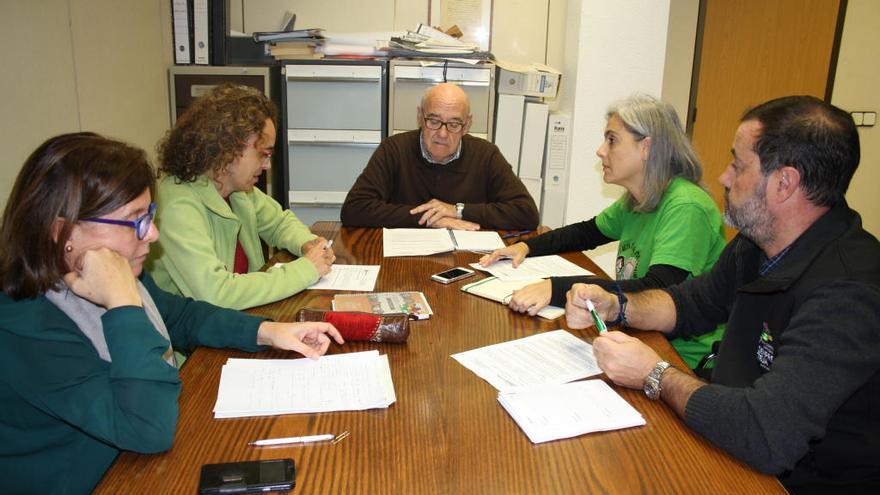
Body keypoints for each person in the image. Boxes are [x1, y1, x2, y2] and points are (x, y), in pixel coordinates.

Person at [0, 133, 345, 493]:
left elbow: (180, 317)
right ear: (62, 232)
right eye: (134, 221)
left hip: (134, 467)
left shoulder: (100, 273)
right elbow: (146, 428)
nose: (152, 234)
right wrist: (123, 304)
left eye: (149, 215)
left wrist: (267, 331)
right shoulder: (24, 327)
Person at [567, 96, 880, 493]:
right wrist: (618, 306)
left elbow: (766, 432)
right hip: (728, 437)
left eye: (738, 164)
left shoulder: (848, 294)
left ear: (784, 183)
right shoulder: (756, 243)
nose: (724, 177)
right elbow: (690, 303)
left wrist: (655, 373)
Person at [480, 94, 726, 368]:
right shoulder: (639, 199)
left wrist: (556, 288)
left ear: (646, 147)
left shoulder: (686, 206)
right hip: (640, 336)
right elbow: (586, 232)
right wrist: (527, 246)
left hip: (681, 359)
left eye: (612, 140)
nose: (600, 151)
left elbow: (659, 290)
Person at [147, 84, 335, 310]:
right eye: (263, 154)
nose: (267, 165)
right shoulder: (177, 206)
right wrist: (306, 269)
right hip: (195, 343)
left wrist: (307, 243)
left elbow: (279, 223)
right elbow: (216, 293)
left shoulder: (236, 189)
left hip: (242, 319)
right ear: (229, 148)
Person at [340, 82, 539, 230]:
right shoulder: (394, 149)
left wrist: (458, 211)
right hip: (405, 260)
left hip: (467, 260)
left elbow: (526, 212)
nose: (442, 134)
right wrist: (431, 218)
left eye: (453, 124)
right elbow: (354, 209)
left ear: (467, 125)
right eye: (434, 121)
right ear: (420, 116)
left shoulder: (486, 155)